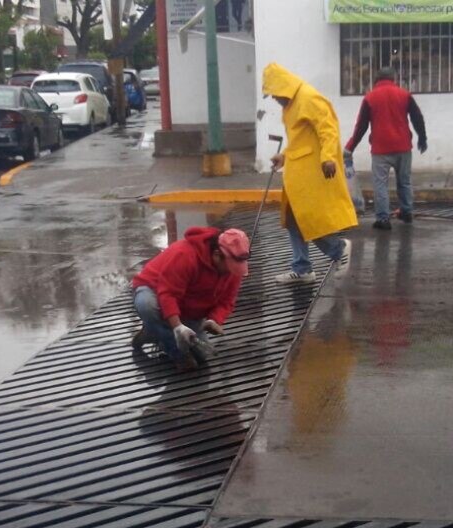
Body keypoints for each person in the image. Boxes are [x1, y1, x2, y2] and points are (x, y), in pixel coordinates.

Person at [261, 63, 356, 285]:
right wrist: (283, 156)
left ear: (283, 87)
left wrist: (328, 158)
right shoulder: (292, 104)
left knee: (308, 219)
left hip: (313, 171)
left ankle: (339, 249)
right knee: (295, 220)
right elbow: (299, 140)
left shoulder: (308, 97)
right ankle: (302, 268)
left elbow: (328, 129)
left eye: (275, 94)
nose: (274, 99)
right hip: (298, 172)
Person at [131, 227, 250, 370]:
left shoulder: (232, 268)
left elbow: (227, 301)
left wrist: (214, 319)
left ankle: (152, 332)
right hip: (154, 290)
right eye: (230, 265)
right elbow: (168, 294)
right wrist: (178, 327)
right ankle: (175, 351)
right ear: (217, 254)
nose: (232, 271)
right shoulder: (184, 254)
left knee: (201, 356)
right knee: (147, 306)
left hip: (187, 307)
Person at [346, 67, 428, 230]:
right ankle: (406, 212)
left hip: (380, 148)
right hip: (403, 146)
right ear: (393, 79)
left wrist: (350, 147)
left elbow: (361, 126)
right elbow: (417, 117)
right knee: (404, 181)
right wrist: (422, 138)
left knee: (380, 184)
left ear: (376, 80)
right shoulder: (404, 94)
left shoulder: (370, 98)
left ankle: (383, 219)